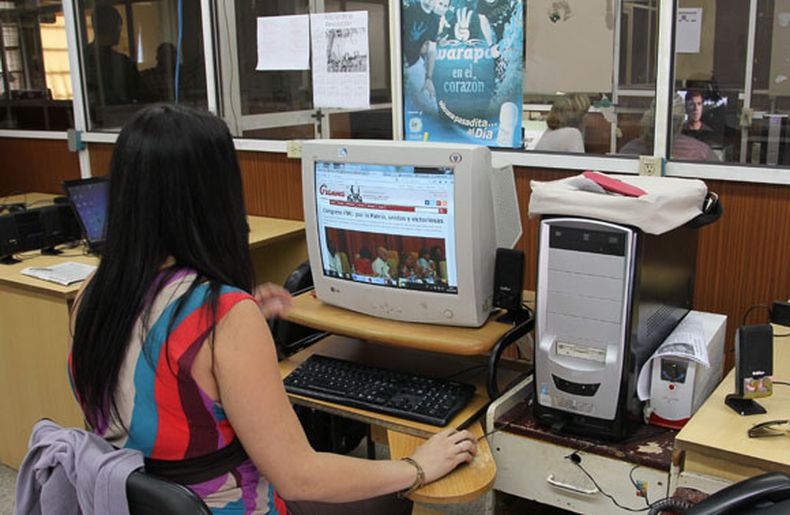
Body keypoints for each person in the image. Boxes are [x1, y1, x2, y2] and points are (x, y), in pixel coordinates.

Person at [68, 105, 477, 514]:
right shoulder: (222, 318)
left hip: (136, 503)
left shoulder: (92, 294)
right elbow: (299, 477)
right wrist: (416, 466)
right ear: (213, 196)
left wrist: (232, 327)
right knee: (391, 499)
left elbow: (153, 372)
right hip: (233, 505)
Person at [619, 95, 720, 162]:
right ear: (681, 123)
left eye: (699, 104)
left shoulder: (629, 150)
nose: (695, 108)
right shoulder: (702, 152)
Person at [83, 5, 141, 105]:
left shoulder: (81, 57)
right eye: (119, 27)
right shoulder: (123, 63)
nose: (120, 32)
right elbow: (137, 94)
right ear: (112, 27)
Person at [402, 0, 441, 114]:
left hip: (414, 63)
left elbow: (432, 49)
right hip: (397, 66)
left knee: (430, 103)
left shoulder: (434, 20)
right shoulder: (409, 7)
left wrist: (429, 78)